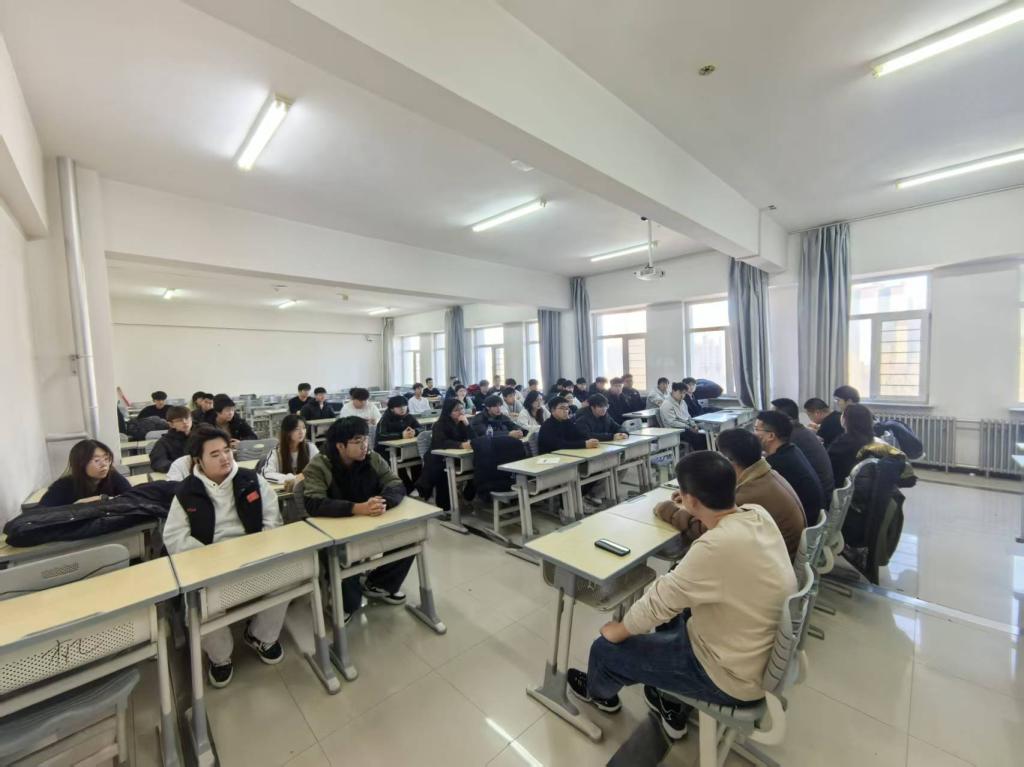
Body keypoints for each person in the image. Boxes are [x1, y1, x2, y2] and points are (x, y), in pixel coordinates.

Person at [568, 450, 798, 740]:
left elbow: (660, 601)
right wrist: (690, 507)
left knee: (605, 649)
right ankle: (665, 694)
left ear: (691, 500)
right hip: (748, 648)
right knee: (674, 612)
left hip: (727, 675)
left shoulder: (715, 547)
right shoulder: (757, 514)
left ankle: (600, 695)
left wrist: (619, 630)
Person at [163, 425, 285, 687]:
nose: (225, 457)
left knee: (288, 577)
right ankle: (220, 657)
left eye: (227, 450)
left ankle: (261, 636)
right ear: (198, 460)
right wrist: (212, 559)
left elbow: (272, 520)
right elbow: (174, 538)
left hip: (253, 556)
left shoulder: (251, 480)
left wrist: (258, 550)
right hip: (210, 565)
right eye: (215, 454)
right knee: (201, 607)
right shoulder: (187, 492)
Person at [303, 417, 412, 619]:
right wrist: (356, 508)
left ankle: (378, 583)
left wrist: (383, 502)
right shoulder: (319, 465)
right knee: (351, 604)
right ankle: (340, 593)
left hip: (369, 522)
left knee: (410, 536)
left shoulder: (372, 458)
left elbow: (395, 483)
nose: (364, 446)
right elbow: (314, 503)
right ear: (340, 446)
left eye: (366, 439)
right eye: (357, 441)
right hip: (337, 532)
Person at [754, 411, 826, 526]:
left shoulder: (777, 464)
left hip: (803, 525)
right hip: (811, 518)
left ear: (771, 436)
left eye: (756, 429)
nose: (753, 434)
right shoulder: (792, 450)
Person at [771, 398, 835, 500]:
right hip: (822, 492)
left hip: (817, 499)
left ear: (785, 419)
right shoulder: (800, 432)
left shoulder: (792, 438)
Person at [40, 439, 132, 507]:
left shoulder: (112, 476)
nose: (104, 464)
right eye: (97, 460)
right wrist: (75, 507)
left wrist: (101, 498)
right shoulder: (63, 486)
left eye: (106, 459)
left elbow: (133, 497)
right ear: (80, 463)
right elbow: (40, 514)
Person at [417, 398, 472, 509]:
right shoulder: (439, 425)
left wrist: (467, 425)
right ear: (448, 412)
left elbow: (475, 438)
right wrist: (460, 445)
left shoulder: (462, 423)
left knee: (478, 465)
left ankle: (467, 495)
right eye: (456, 410)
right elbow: (442, 442)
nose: (460, 412)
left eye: (462, 408)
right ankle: (446, 506)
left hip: (458, 457)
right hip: (438, 458)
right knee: (443, 473)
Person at [376, 396, 422, 492]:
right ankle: (407, 488)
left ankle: (419, 487)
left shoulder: (409, 416)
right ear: (392, 409)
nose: (402, 408)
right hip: (387, 451)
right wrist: (401, 435)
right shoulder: (385, 419)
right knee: (400, 468)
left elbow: (421, 428)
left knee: (418, 460)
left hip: (406, 448)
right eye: (399, 407)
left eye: (404, 406)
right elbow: (381, 435)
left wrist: (415, 432)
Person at [262, 414, 318, 488]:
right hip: (285, 490)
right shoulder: (276, 452)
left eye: (304, 428)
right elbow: (267, 474)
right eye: (297, 429)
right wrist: (293, 478)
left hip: (307, 489)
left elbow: (320, 469)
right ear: (288, 432)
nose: (301, 432)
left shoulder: (311, 447)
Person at [828, 403, 876, 485]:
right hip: (859, 484)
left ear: (847, 420)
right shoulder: (869, 439)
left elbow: (826, 463)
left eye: (843, 415)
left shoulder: (842, 444)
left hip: (839, 484)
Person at [659, 382, 708, 450]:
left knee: (705, 434)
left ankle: (710, 453)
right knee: (698, 438)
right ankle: (700, 455)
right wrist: (688, 427)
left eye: (684, 393)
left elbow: (688, 416)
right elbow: (672, 422)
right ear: (673, 391)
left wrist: (694, 425)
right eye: (680, 393)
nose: (682, 395)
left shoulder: (683, 402)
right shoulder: (667, 404)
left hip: (686, 427)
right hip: (675, 430)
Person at [150, 406, 193, 473]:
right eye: (179, 420)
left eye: (187, 418)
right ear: (171, 424)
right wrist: (182, 467)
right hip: (179, 474)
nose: (185, 422)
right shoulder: (163, 442)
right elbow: (159, 463)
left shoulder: (200, 436)